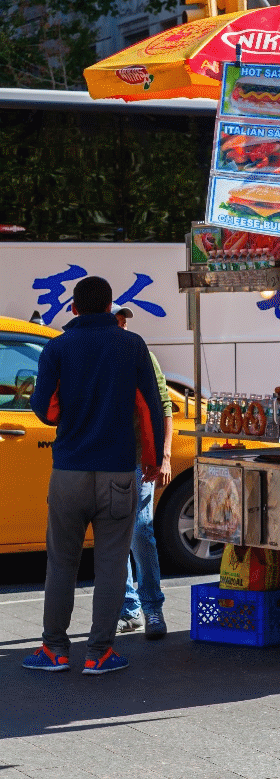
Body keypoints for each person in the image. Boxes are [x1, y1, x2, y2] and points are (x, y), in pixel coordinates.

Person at [24, 277, 165, 674]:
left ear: (73, 308)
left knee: (61, 563)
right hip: (119, 471)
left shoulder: (56, 347)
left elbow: (46, 411)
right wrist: (152, 462)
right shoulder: (131, 344)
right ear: (109, 308)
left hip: (69, 471)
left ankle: (53, 650)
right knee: (112, 565)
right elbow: (150, 408)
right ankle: (100, 653)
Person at [113, 307, 173, 640]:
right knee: (115, 535)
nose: (122, 327)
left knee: (140, 530)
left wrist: (164, 457)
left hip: (139, 458)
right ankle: (129, 608)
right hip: (107, 459)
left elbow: (165, 406)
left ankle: (151, 608)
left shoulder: (142, 355)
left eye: (123, 322)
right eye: (116, 322)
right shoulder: (95, 355)